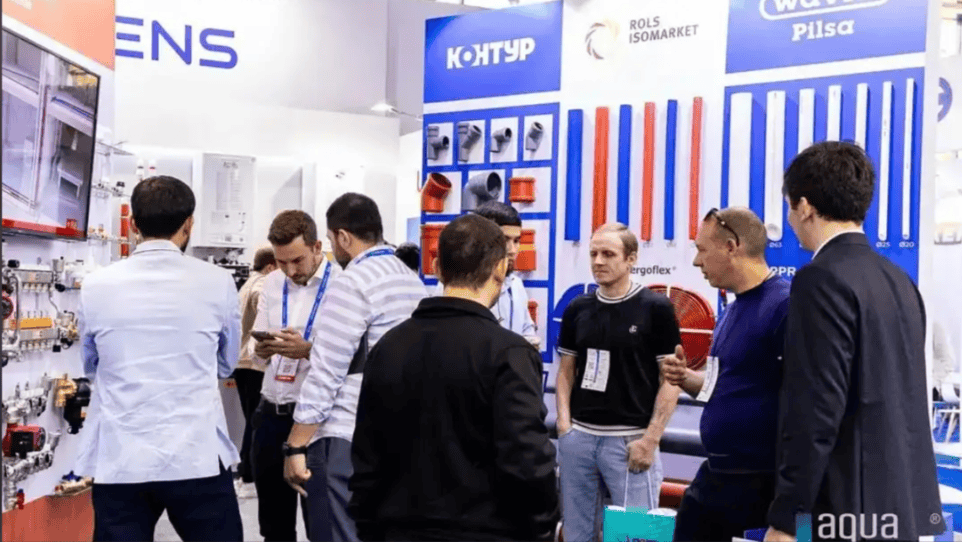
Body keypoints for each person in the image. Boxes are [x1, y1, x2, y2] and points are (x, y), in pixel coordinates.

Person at [764, 141, 942, 541]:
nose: (790, 219)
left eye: (789, 207)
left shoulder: (819, 280)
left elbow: (815, 407)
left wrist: (788, 518)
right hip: (898, 505)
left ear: (804, 207)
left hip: (844, 509)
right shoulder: (898, 279)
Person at [349, 214, 560, 541]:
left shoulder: (388, 347)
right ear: (500, 268)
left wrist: (368, 527)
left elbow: (367, 455)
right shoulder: (510, 353)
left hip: (397, 531)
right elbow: (527, 462)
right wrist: (543, 526)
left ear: (436, 268)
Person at [76, 176, 243, 542]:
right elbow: (226, 364)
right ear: (189, 224)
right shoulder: (218, 282)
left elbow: (90, 365)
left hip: (122, 456)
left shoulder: (95, 285)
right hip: (196, 453)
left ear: (133, 224)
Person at [284, 193, 427, 542]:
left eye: (332, 240)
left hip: (346, 437)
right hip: (397, 437)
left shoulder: (352, 282)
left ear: (344, 237)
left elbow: (327, 371)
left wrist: (296, 445)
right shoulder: (411, 280)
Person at [661, 207, 790, 541]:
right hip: (718, 475)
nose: (696, 262)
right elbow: (723, 386)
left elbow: (809, 406)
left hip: (763, 486)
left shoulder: (785, 306)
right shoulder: (731, 311)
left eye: (702, 250)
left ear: (732, 247)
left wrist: (792, 512)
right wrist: (685, 377)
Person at [555, 222, 682, 542]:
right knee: (576, 535)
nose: (598, 261)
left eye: (608, 254)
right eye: (593, 254)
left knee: (637, 537)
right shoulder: (577, 308)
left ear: (631, 259)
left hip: (630, 443)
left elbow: (671, 380)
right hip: (579, 440)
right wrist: (564, 426)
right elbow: (566, 371)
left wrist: (650, 440)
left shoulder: (656, 308)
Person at [248, 211, 339, 541]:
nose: (290, 271)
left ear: (317, 247)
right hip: (271, 412)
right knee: (274, 527)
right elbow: (254, 345)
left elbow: (350, 355)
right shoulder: (273, 283)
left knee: (321, 525)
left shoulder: (342, 284)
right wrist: (261, 349)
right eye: (281, 261)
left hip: (318, 422)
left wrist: (308, 350)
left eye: (297, 261)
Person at [435, 201, 538, 346]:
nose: (512, 250)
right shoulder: (455, 285)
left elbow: (527, 330)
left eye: (516, 241)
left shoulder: (516, 285)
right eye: (505, 240)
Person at [232, 246, 276, 495]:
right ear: (270, 267)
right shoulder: (260, 285)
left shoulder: (246, 284)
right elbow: (262, 301)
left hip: (243, 362)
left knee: (252, 420)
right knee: (256, 421)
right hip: (252, 364)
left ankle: (246, 473)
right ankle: (248, 475)